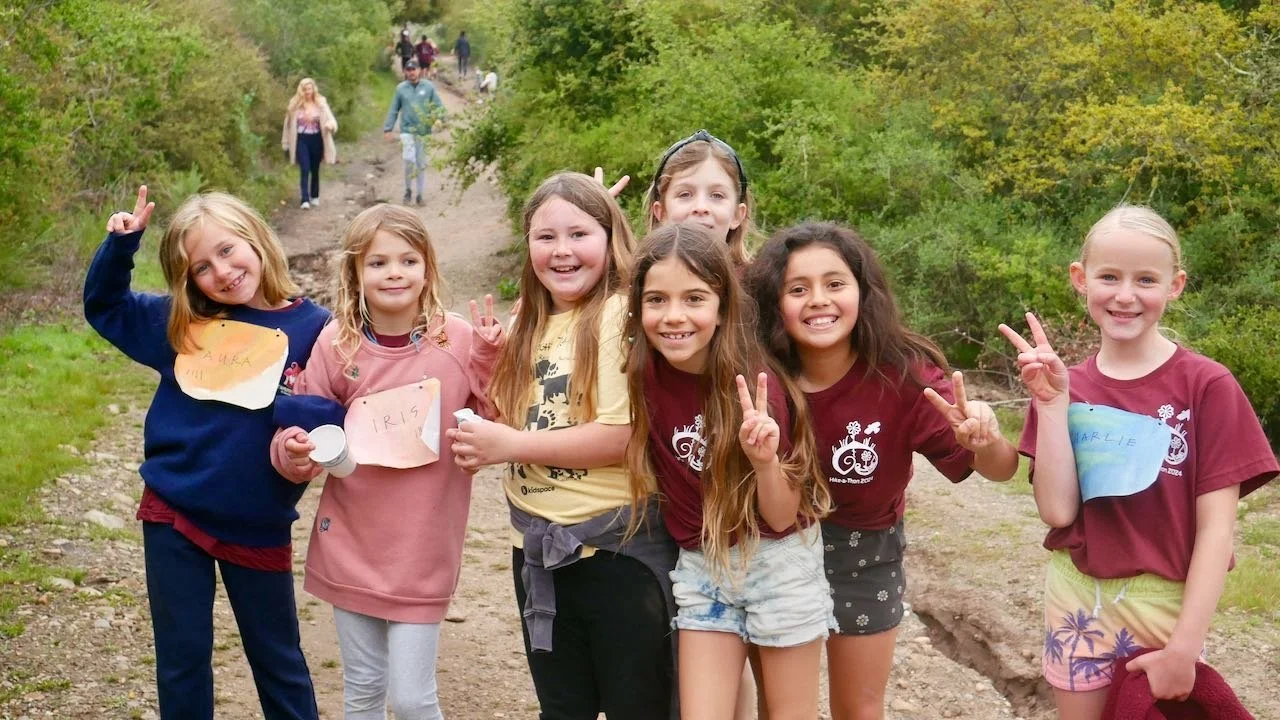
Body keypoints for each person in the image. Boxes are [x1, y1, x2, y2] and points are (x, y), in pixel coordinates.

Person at [1000, 205, 1277, 720]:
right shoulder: (1066, 386)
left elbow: (1217, 532)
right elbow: (1058, 512)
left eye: (1145, 279)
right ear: (1081, 280)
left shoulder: (1207, 386)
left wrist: (1185, 647)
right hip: (1077, 601)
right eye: (1109, 277)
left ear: (1175, 286)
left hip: (1168, 610)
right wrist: (1052, 405)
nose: (1125, 295)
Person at [745, 221, 1019, 719]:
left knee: (860, 708)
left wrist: (987, 440)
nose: (818, 301)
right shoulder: (760, 375)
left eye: (834, 284)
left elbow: (1000, 472)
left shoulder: (903, 374)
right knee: (781, 709)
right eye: (797, 288)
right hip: (773, 550)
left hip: (864, 555)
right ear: (773, 301)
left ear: (861, 292)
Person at [84, 186, 328, 720]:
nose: (221, 271)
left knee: (278, 660)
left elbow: (341, 404)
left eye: (227, 249)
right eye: (200, 267)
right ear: (188, 281)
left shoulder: (318, 330)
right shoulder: (183, 326)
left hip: (257, 519)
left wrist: (306, 429)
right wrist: (120, 248)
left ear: (256, 237)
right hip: (174, 511)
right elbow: (105, 306)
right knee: (182, 658)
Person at [446, 172, 678, 719]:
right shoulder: (530, 317)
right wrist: (485, 363)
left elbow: (621, 437)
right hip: (535, 552)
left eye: (580, 234)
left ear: (611, 235)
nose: (562, 250)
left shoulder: (621, 313)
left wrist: (509, 445)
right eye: (545, 236)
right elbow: (511, 416)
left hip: (617, 557)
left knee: (637, 708)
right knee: (562, 708)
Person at [270, 204, 504, 719]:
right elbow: (304, 425)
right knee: (363, 692)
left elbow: (494, 418)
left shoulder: (459, 341)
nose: (394, 272)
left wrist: (490, 360)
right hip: (351, 542)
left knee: (414, 699)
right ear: (355, 273)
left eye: (408, 260)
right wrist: (293, 452)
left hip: (422, 548)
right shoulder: (337, 344)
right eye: (377, 263)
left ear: (428, 268)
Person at [626, 221, 833, 719]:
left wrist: (765, 462)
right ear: (638, 307)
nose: (674, 316)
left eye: (694, 298)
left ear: (722, 307)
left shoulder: (757, 387)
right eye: (657, 300)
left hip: (780, 561)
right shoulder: (642, 373)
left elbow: (783, 517)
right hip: (704, 565)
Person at [645, 129, 753, 269]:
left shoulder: (760, 287)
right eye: (685, 194)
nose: (701, 207)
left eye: (717, 195)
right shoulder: (641, 283)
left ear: (737, 215)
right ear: (662, 212)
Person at [383, 58, 446, 207]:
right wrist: (388, 128)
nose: (411, 73)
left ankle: (420, 194)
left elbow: (438, 106)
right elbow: (394, 109)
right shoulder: (401, 89)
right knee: (409, 160)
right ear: (405, 72)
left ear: (419, 70)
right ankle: (408, 190)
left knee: (421, 162)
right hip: (407, 130)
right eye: (408, 70)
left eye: (414, 69)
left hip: (423, 131)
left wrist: (440, 118)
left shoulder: (428, 87)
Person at [281, 77, 338, 210]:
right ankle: (304, 199)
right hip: (301, 139)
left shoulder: (321, 103)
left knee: (315, 169)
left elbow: (331, 120)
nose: (308, 92)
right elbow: (287, 125)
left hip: (317, 138)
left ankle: (315, 195)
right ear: (301, 90)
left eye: (310, 89)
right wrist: (285, 142)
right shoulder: (294, 105)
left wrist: (330, 126)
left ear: (313, 89)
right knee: (304, 168)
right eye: (305, 89)